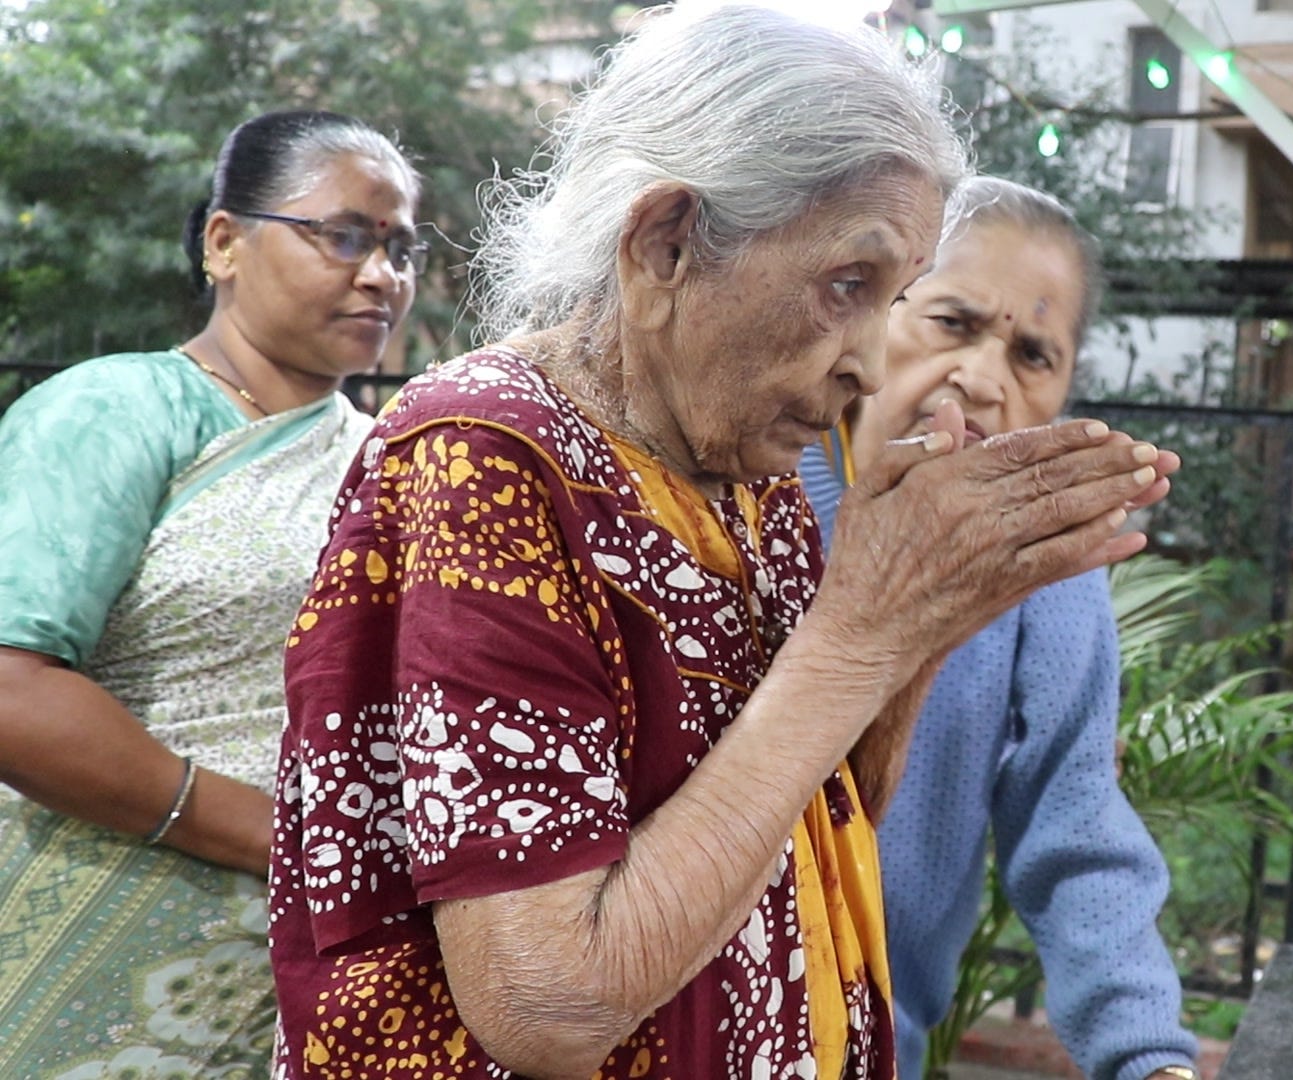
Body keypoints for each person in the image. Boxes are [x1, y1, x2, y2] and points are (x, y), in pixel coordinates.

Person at [267, 8, 1176, 1080]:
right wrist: (864, 634)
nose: (874, 370)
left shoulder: (744, 467)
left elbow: (805, 820)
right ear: (668, 243)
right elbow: (546, 1002)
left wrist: (932, 616)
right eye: (851, 284)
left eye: (896, 300)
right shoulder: (488, 460)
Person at [0, 109, 421, 1076]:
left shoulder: (392, 456)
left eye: (400, 248)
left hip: (330, 960)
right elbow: (13, 686)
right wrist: (282, 839)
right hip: (101, 915)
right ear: (224, 243)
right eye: (345, 235)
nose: (380, 275)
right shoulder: (113, 411)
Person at [799, 176, 1201, 1080]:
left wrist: (1150, 1060)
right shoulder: (754, 490)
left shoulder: (1048, 572)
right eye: (952, 322)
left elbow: (1077, 827)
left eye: (1032, 353)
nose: (981, 378)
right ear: (875, 311)